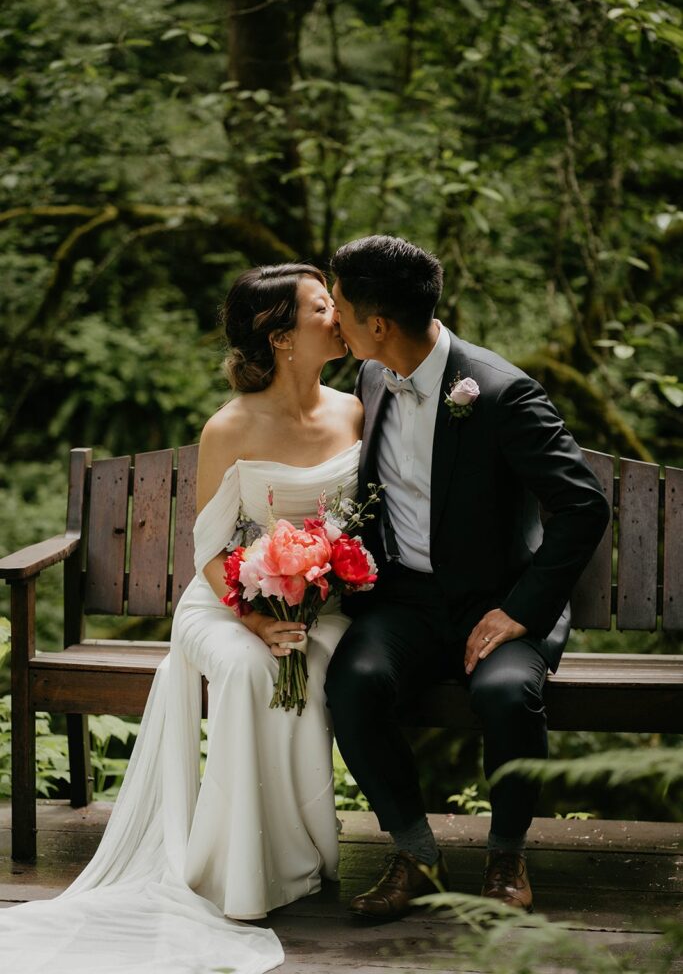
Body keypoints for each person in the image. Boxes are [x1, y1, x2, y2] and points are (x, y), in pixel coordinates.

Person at [0, 263, 363, 973]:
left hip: (319, 602)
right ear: (282, 336)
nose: (340, 316)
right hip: (225, 602)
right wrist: (255, 616)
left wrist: (314, 585)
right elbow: (208, 548)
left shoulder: (354, 410)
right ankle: (238, 874)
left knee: (314, 662)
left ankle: (304, 855)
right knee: (248, 665)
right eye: (325, 307)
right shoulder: (228, 426)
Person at [325, 234, 610, 919]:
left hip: (499, 599)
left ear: (378, 325)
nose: (331, 318)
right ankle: (417, 856)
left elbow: (582, 504)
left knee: (509, 695)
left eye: (337, 306)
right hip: (407, 601)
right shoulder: (369, 375)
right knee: (351, 682)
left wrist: (521, 611)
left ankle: (505, 859)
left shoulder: (500, 393)